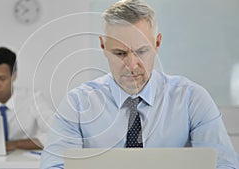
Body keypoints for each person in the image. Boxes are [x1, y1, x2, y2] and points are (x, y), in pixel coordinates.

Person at [40, 0, 239, 168]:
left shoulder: (191, 99)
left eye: (142, 51)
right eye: (120, 53)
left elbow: (224, 164)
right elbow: (54, 165)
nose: (132, 65)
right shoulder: (77, 104)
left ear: (157, 43)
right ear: (103, 45)